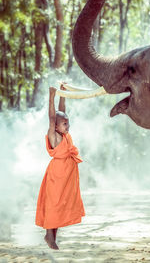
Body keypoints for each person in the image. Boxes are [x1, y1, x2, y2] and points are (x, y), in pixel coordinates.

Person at [35, 84, 85, 250]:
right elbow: (52, 117)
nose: (67, 126)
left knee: (61, 204)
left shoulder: (64, 134)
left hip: (66, 176)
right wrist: (51, 96)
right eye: (64, 124)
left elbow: (61, 112)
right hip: (57, 175)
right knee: (54, 203)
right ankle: (49, 235)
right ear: (55, 126)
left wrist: (62, 94)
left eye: (68, 123)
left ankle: (52, 236)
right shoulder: (54, 135)